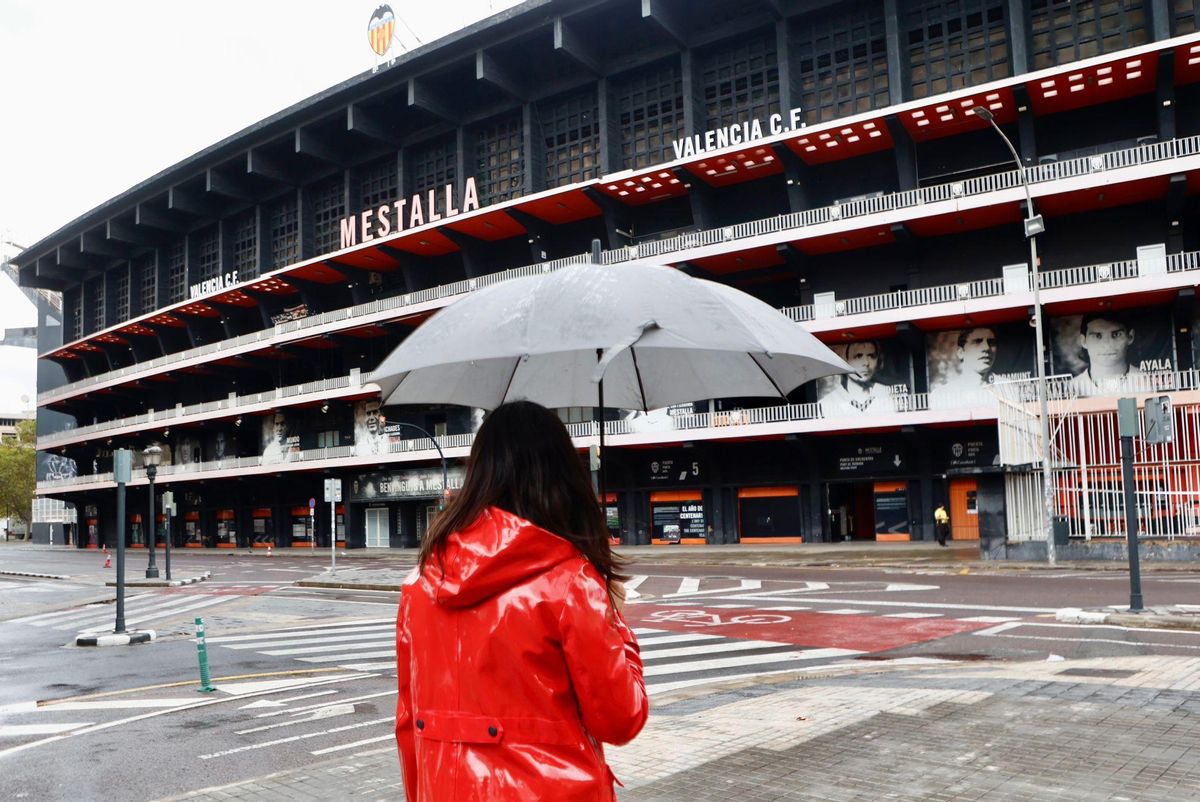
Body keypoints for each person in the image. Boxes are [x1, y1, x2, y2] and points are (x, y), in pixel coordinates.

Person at [395, 401, 647, 801]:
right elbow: (621, 720)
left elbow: (409, 725)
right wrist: (618, 627)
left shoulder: (420, 586)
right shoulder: (570, 583)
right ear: (562, 475)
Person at [1070, 313, 1143, 396]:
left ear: (1130, 337)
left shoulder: (1148, 381)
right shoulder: (1071, 388)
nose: (1107, 344)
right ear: (1083, 341)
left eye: (1116, 334)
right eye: (1098, 336)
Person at [821, 340, 892, 415]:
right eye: (858, 356)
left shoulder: (887, 394)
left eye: (872, 356)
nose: (866, 363)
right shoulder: (827, 402)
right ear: (844, 361)